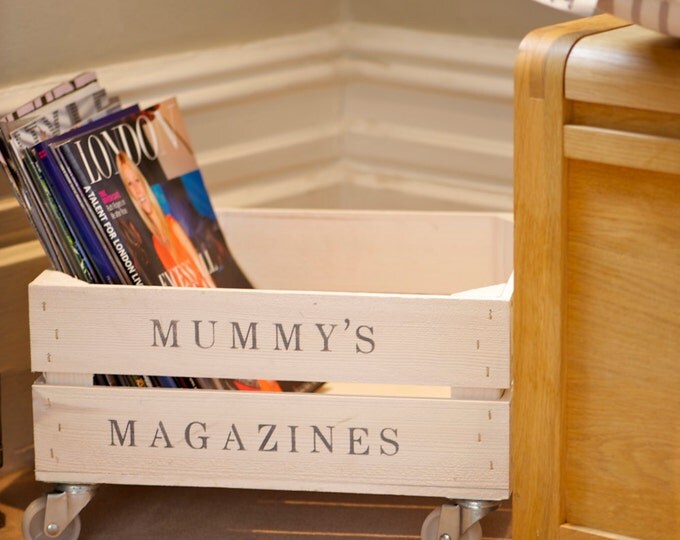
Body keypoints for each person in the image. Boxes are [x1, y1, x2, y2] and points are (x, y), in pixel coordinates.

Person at [116, 151, 216, 288]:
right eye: (130, 184)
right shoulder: (154, 242)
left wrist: (212, 287)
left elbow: (197, 262)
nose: (137, 190)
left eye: (137, 181)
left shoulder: (172, 224)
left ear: (143, 182)